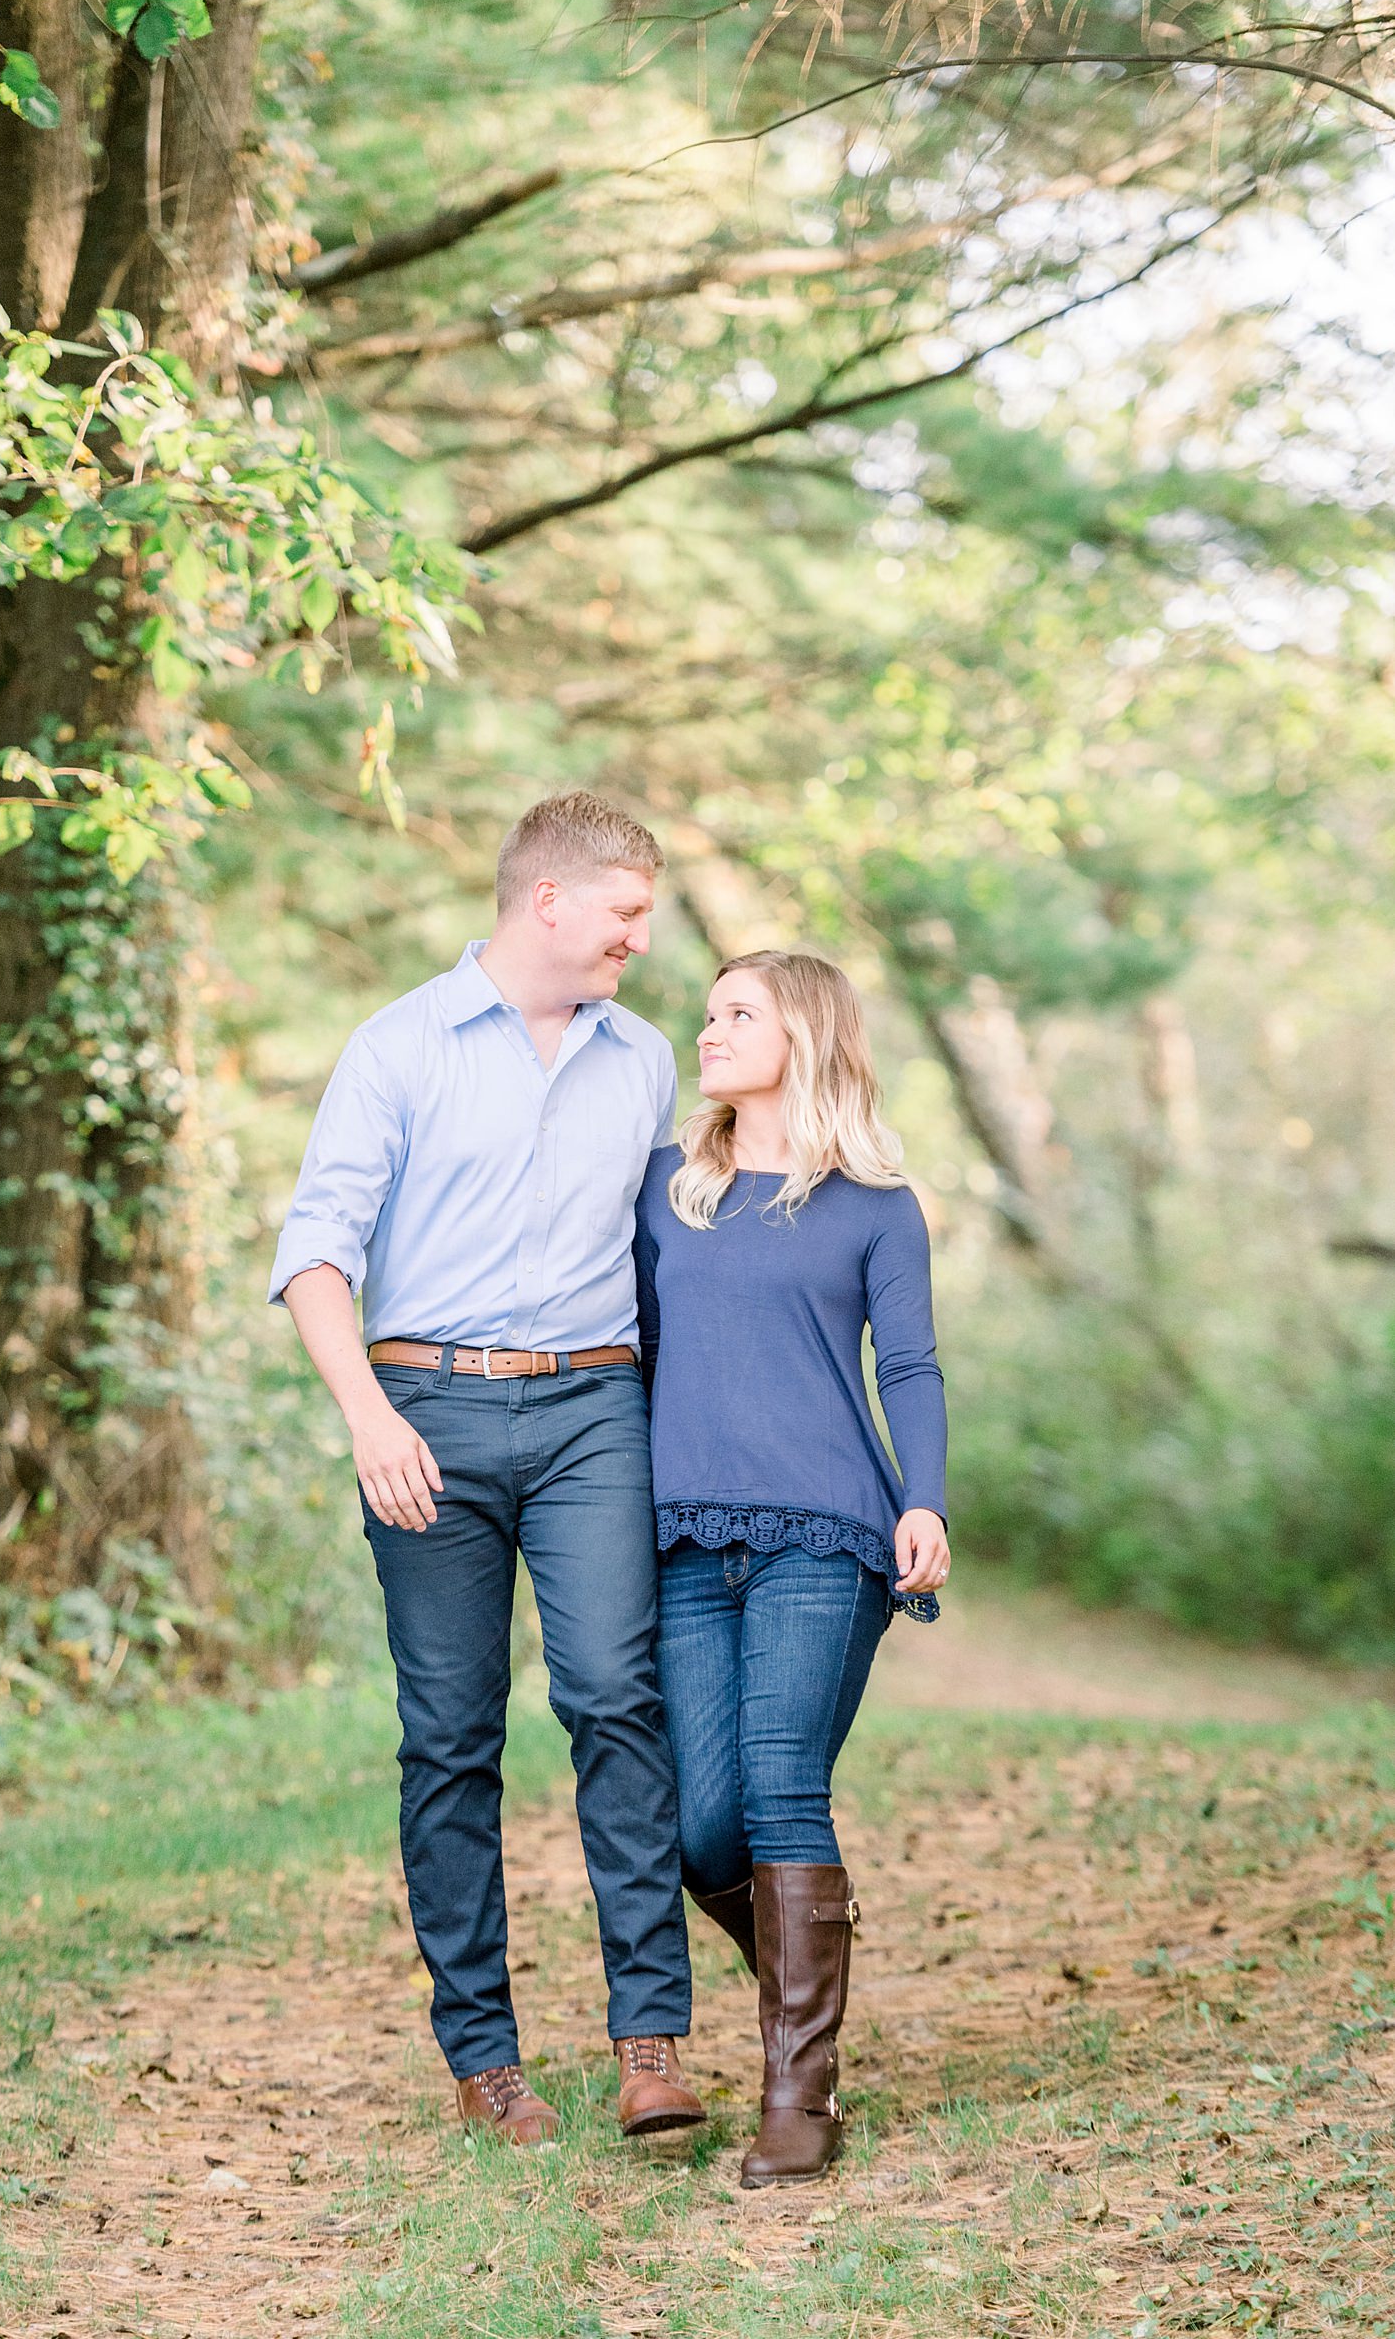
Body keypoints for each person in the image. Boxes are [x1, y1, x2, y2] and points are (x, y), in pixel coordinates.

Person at [270, 792, 705, 2147]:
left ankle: (650, 2044)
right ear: (549, 903)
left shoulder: (640, 1060)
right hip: (425, 1416)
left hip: (592, 1411)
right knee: (451, 1736)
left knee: (615, 1701)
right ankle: (486, 2060)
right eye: (627, 912)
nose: (642, 936)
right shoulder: (397, 1047)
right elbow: (315, 1253)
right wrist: (368, 1418)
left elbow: (665, 1251)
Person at [634, 951, 950, 2188]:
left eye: (738, 1014)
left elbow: (910, 1370)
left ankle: (797, 2093)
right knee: (703, 1827)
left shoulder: (877, 1203)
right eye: (707, 1013)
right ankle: (812, 1960)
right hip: (679, 1539)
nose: (708, 1031)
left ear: (804, 1034)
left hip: (827, 1535)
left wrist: (922, 1498)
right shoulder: (665, 1187)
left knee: (778, 1790)